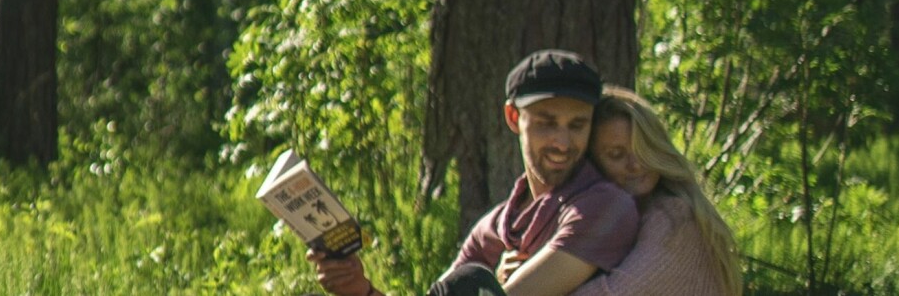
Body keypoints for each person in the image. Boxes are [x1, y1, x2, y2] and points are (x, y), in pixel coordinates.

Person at [308, 49, 639, 296]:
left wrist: (491, 286)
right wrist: (359, 289)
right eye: (546, 123)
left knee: (468, 282)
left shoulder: (604, 207)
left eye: (577, 125)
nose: (562, 142)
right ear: (513, 117)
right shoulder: (494, 228)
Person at [566, 86, 743, 296]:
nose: (636, 165)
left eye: (644, 149)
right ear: (592, 164)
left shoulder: (675, 219)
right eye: (616, 154)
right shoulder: (623, 219)